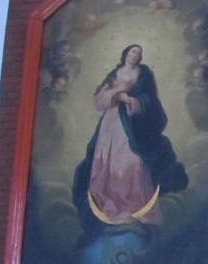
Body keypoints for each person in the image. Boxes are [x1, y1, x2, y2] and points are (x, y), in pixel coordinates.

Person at [72, 44, 187, 240]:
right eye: (133, 51)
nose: (135, 55)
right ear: (126, 53)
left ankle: (134, 205)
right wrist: (116, 93)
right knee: (108, 163)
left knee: (132, 162)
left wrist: (129, 100)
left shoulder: (143, 74)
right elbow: (99, 101)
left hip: (134, 126)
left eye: (139, 53)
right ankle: (113, 207)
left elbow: (150, 99)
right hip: (110, 124)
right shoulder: (114, 74)